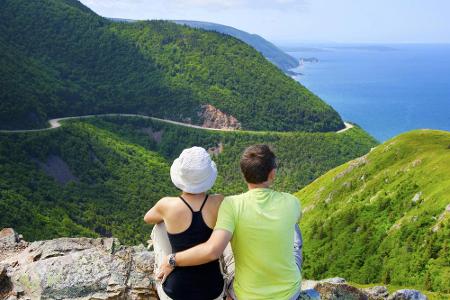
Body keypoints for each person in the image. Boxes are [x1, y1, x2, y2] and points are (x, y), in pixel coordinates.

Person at [158, 144, 303, 300]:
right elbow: (296, 218)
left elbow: (212, 251)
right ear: (273, 174)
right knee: (295, 234)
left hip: (246, 295)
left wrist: (171, 260)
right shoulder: (292, 202)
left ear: (244, 174)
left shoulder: (231, 205)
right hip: (290, 292)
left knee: (228, 236)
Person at [144, 146, 225, 300]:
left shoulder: (167, 204)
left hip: (175, 292)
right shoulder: (219, 201)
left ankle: (164, 266)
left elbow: (148, 218)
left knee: (159, 225)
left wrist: (171, 216)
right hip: (213, 291)